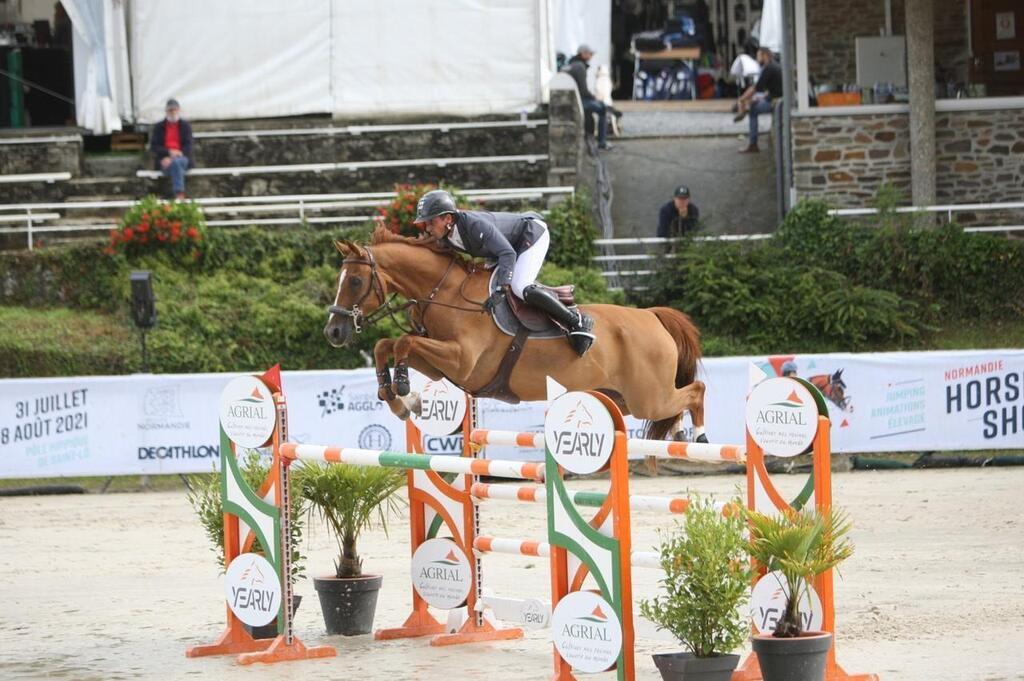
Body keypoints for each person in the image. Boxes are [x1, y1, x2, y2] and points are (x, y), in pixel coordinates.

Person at [413, 189, 595, 356]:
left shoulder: (474, 225)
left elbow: (507, 253)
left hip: (530, 235)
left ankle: (576, 321)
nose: (428, 227)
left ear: (448, 219)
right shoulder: (446, 237)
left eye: (431, 221)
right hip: (504, 247)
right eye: (425, 223)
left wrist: (502, 287)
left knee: (519, 286)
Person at [563, 45, 613, 150]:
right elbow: (584, 91)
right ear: (583, 53)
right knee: (603, 108)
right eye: (590, 53)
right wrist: (595, 98)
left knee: (593, 108)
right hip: (578, 101)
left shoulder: (570, 64)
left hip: (568, 100)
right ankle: (602, 142)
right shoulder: (580, 67)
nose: (591, 56)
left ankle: (589, 136)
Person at [733, 48, 782, 153]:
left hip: (777, 102)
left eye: (758, 56)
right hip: (775, 99)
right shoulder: (773, 65)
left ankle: (753, 144)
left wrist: (741, 99)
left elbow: (755, 88)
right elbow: (770, 90)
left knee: (753, 111)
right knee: (754, 102)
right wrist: (758, 98)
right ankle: (743, 110)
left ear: (764, 55)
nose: (757, 58)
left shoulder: (769, 68)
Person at [149, 98, 193, 199]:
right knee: (175, 166)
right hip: (164, 159)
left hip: (182, 158)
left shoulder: (185, 126)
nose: (173, 112)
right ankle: (179, 194)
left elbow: (189, 146)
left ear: (178, 110)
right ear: (166, 111)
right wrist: (168, 153)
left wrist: (174, 156)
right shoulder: (159, 127)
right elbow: (154, 147)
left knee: (176, 163)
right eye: (170, 110)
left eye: (175, 110)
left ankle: (177, 193)